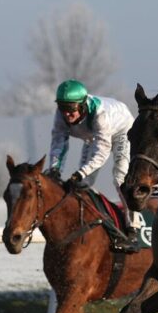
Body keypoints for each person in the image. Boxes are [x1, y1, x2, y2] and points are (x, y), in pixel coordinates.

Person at [48, 79, 142, 252]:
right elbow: (58, 144)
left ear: (83, 105)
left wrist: (80, 172)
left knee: (121, 179)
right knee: (83, 184)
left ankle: (133, 231)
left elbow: (102, 153)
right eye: (62, 108)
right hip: (93, 135)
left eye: (71, 109)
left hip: (121, 130)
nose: (66, 114)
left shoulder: (100, 114)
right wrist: (54, 169)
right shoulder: (61, 116)